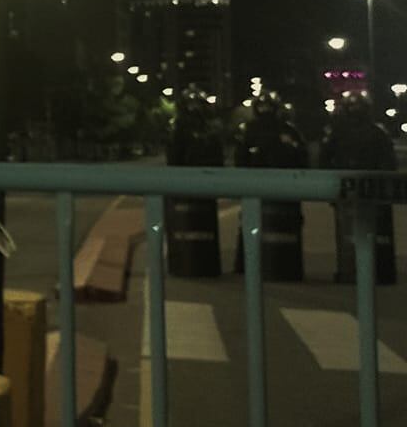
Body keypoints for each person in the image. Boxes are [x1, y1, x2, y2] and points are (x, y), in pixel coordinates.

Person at [322, 87, 397, 285]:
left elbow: (324, 159)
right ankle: (371, 272)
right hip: (369, 190)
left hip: (347, 189)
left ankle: (351, 272)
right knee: (366, 232)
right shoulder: (377, 132)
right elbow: (390, 163)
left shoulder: (338, 134)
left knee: (348, 234)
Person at [234, 89, 307, 280]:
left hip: (283, 191)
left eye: (268, 107)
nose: (265, 110)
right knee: (250, 225)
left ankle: (283, 266)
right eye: (262, 106)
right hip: (256, 188)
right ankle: (247, 264)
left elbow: (302, 159)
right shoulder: (248, 130)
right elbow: (240, 159)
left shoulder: (288, 131)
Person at [165, 87, 225, 277]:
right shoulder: (180, 126)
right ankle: (185, 263)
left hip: (202, 185)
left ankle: (195, 264)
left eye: (197, 104)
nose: (194, 108)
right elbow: (173, 156)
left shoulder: (209, 127)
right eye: (191, 104)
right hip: (189, 185)